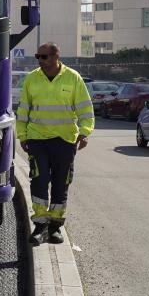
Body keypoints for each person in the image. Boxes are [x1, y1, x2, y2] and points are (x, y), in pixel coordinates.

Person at [16, 42, 94, 245]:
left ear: (56, 57)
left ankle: (55, 227)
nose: (39, 60)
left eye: (43, 57)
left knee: (61, 183)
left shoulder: (73, 78)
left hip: (65, 141)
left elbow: (85, 109)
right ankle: (40, 226)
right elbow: (23, 110)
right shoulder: (32, 78)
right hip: (37, 139)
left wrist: (84, 133)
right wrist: (22, 136)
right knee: (39, 181)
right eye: (37, 57)